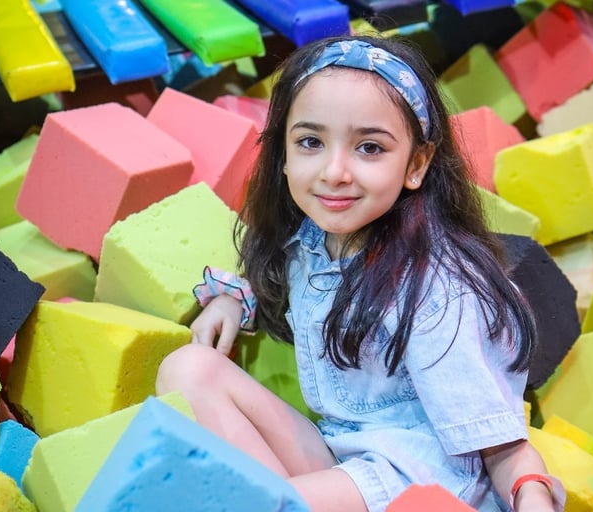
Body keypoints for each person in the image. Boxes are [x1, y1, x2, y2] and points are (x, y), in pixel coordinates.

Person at [156, 35, 565, 512]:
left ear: (416, 164)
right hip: (345, 454)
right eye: (311, 142)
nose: (335, 172)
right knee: (188, 369)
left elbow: (499, 444)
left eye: (369, 148)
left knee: (256, 503)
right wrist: (232, 301)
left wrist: (531, 492)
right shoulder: (310, 240)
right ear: (283, 153)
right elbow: (276, 280)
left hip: (418, 481)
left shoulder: (438, 291)